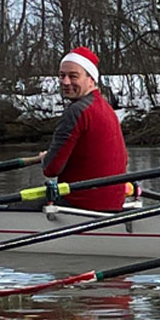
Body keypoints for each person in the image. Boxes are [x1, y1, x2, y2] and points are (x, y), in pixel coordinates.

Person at [41, 46, 129, 211]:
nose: (65, 82)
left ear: (91, 79)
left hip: (81, 205)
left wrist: (46, 158)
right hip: (114, 204)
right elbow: (124, 159)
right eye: (62, 76)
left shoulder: (76, 111)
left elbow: (51, 168)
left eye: (73, 76)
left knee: (12, 208)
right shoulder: (106, 108)